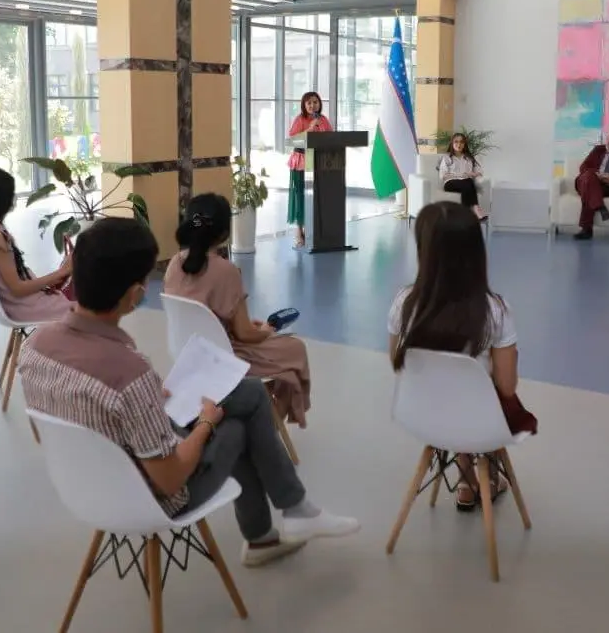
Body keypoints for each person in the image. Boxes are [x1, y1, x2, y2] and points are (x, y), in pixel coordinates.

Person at [19, 218, 358, 566]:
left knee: (250, 393)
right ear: (134, 295)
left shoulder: (35, 346)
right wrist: (206, 424)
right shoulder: (130, 373)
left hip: (82, 484)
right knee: (238, 426)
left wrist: (144, 406)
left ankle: (285, 520)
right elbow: (169, 479)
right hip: (149, 497)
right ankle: (277, 525)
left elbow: (49, 429)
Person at [387, 201, 521, 510]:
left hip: (424, 417)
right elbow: (507, 387)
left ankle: (465, 480)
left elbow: (397, 362)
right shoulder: (495, 310)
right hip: (480, 423)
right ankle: (483, 479)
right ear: (475, 252)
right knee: (486, 392)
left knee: (458, 390)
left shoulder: (404, 303)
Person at [163, 193, 313, 427]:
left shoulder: (174, 264)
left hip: (186, 355)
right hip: (225, 357)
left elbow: (204, 316)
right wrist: (265, 330)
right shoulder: (226, 271)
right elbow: (245, 334)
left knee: (289, 368)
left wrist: (235, 325)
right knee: (296, 350)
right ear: (224, 233)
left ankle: (260, 416)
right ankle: (269, 428)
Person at [0, 167, 72, 322]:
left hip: (23, 302)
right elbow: (17, 289)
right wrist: (60, 273)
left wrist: (55, 277)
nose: (14, 198)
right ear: (2, 199)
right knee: (90, 310)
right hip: (25, 306)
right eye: (11, 193)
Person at [286, 91, 333, 249]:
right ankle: (299, 231)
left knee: (316, 196)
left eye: (315, 102)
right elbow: (292, 140)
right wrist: (310, 128)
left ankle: (313, 229)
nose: (313, 105)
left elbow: (331, 138)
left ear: (319, 103)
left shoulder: (323, 120)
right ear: (304, 105)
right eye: (309, 103)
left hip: (318, 160)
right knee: (300, 195)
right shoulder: (300, 119)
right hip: (301, 160)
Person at [438, 132, 487, 221]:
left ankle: (467, 213)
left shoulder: (469, 158)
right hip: (451, 184)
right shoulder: (447, 157)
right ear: (452, 143)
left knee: (468, 182)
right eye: (456, 142)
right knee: (468, 182)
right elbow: (443, 175)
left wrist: (472, 174)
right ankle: (476, 209)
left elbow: (479, 172)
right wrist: (460, 175)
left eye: (461, 142)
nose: (459, 144)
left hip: (467, 184)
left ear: (464, 144)